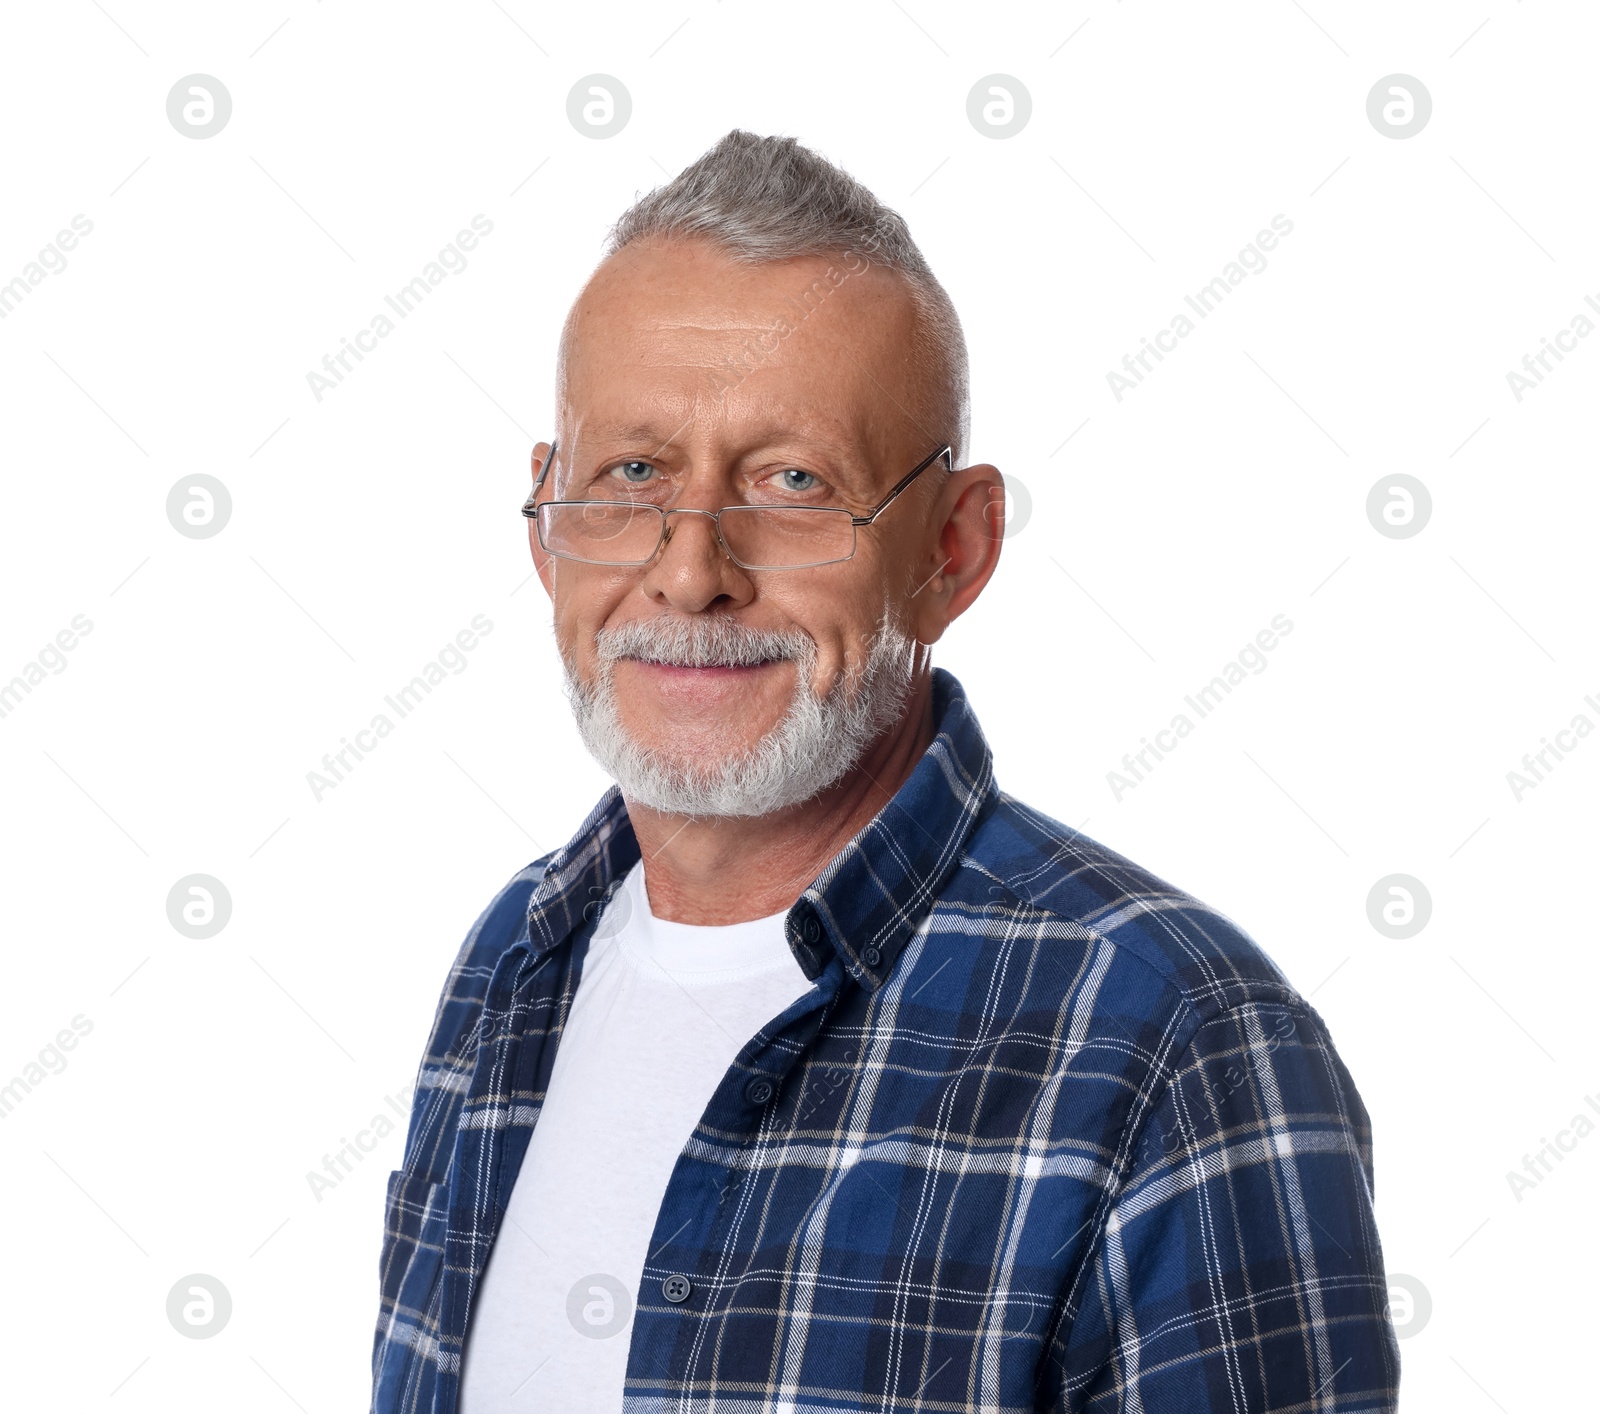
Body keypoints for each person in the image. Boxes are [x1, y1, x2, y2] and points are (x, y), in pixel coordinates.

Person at [371, 130, 1399, 1413]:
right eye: (631, 473)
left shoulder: (1173, 1043)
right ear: (545, 522)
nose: (692, 571)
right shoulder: (509, 966)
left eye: (792, 483)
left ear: (955, 551)